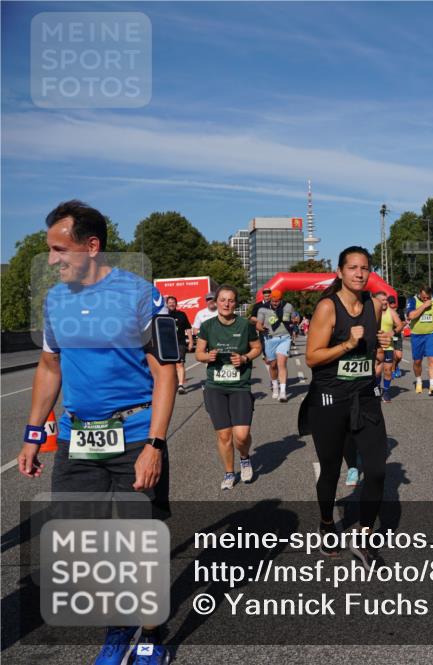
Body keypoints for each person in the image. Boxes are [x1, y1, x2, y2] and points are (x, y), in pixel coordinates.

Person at [17, 200, 175, 664]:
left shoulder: (142, 294)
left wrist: (156, 444)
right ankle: (119, 624)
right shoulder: (54, 300)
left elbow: (165, 372)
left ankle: (149, 634)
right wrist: (32, 434)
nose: (52, 260)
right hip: (76, 439)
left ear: (92, 246)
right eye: (49, 250)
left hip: (135, 435)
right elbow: (49, 368)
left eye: (59, 249)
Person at [301, 246, 391, 566]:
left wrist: (378, 350)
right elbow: (312, 357)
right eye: (352, 267)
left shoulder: (375, 306)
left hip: (365, 397)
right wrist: (348, 344)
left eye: (364, 268)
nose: (359, 273)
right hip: (330, 400)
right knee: (330, 470)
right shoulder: (328, 307)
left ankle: (363, 539)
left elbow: (373, 354)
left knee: (378, 470)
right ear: (340, 272)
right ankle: (327, 524)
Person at [196, 285, 262, 490]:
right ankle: (228, 472)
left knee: (241, 436)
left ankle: (244, 457)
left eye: (230, 300)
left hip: (240, 385)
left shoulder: (245, 325)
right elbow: (198, 353)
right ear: (216, 302)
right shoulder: (207, 326)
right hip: (215, 385)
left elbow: (257, 347)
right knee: (224, 435)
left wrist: (244, 357)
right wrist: (208, 356)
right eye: (222, 300)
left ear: (235, 303)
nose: (226, 304)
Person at [250, 289, 295, 402]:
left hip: (284, 338)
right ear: (270, 299)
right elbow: (258, 325)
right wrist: (261, 328)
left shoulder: (288, 306)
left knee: (282, 363)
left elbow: (295, 316)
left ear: (281, 299)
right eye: (274, 301)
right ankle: (275, 385)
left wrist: (294, 319)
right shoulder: (262, 309)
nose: (276, 303)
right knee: (273, 365)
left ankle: (283, 392)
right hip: (269, 339)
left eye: (278, 301)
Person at [405, 286, 433, 395]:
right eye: (424, 297)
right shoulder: (412, 300)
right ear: (420, 294)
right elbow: (411, 315)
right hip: (417, 336)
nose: (426, 299)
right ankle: (419, 381)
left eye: (428, 297)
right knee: (417, 361)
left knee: (432, 360)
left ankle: (432, 386)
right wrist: (424, 306)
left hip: (431, 334)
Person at [374, 290, 405, 403]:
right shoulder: (372, 311)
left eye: (386, 300)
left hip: (388, 346)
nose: (385, 302)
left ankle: (386, 392)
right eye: (382, 300)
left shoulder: (391, 312)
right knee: (376, 372)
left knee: (387, 370)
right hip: (375, 346)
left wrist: (393, 332)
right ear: (376, 301)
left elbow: (400, 325)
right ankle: (376, 388)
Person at [165, 295, 194, 394]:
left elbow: (188, 328)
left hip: (180, 342)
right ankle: (172, 384)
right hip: (167, 344)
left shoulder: (182, 314)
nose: (172, 304)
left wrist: (191, 341)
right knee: (170, 365)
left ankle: (181, 385)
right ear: (167, 304)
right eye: (170, 302)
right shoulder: (163, 315)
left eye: (173, 302)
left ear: (176, 304)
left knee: (180, 364)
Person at [386, 295, 403, 379]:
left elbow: (403, 322)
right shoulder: (385, 312)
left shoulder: (399, 311)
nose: (393, 305)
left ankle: (395, 366)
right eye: (391, 303)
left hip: (397, 335)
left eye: (393, 303)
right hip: (389, 336)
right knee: (392, 355)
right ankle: (392, 370)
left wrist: (400, 324)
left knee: (399, 356)